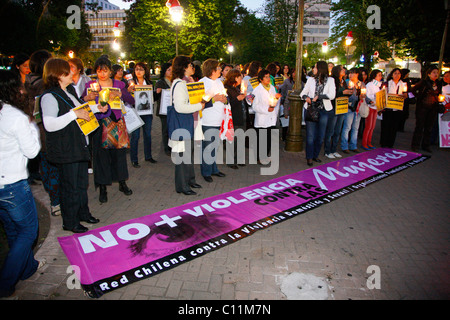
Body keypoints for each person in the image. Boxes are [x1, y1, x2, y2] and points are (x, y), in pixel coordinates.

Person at [40, 58, 104, 233]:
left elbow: (82, 110)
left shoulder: (68, 91)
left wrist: (97, 108)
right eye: (68, 71)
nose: (72, 74)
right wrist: (74, 115)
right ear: (59, 74)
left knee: (81, 184)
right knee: (70, 186)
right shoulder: (49, 96)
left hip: (78, 145)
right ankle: (70, 221)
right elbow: (50, 124)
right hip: (66, 149)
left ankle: (83, 213)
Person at [0, 70, 44, 298]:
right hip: (12, 185)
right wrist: (31, 125)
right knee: (28, 230)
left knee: (12, 229)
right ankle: (6, 281)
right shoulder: (15, 118)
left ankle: (27, 268)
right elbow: (32, 150)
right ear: (14, 90)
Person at [82, 56, 135, 203]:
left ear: (110, 71)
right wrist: (87, 98)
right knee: (101, 157)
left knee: (119, 155)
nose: (102, 74)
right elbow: (81, 103)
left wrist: (120, 94)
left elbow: (131, 100)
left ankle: (122, 182)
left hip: (116, 123)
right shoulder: (91, 85)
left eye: (105, 71)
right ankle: (103, 187)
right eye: (99, 71)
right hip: (99, 124)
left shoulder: (119, 84)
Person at [24, 50, 60, 215]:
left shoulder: (27, 82)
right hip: (48, 132)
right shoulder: (43, 86)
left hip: (36, 131)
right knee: (53, 168)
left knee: (45, 167)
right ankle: (57, 201)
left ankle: (55, 200)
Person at [169, 55, 205, 195]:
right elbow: (180, 107)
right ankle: (182, 186)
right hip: (182, 123)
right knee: (182, 156)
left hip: (188, 122)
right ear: (184, 67)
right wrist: (199, 106)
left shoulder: (186, 82)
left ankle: (190, 179)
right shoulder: (179, 84)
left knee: (188, 154)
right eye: (190, 65)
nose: (193, 68)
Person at [300, 61, 336, 166]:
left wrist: (319, 97)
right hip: (311, 109)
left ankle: (315, 155)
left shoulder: (330, 80)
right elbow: (303, 92)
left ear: (320, 68)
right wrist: (305, 98)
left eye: (315, 67)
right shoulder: (311, 80)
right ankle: (309, 157)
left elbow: (332, 95)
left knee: (320, 136)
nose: (313, 69)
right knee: (310, 135)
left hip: (324, 110)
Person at [199, 59, 228, 183]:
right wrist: (214, 99)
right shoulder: (202, 83)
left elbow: (225, 98)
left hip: (218, 119)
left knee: (215, 146)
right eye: (218, 68)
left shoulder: (219, 82)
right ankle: (206, 171)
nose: (220, 70)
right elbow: (200, 102)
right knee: (207, 147)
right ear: (212, 70)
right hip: (207, 119)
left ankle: (213, 169)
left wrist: (224, 99)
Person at [128, 62, 156, 168]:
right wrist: (128, 90)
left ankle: (148, 156)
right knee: (135, 136)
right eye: (136, 69)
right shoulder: (131, 83)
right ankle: (134, 159)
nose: (138, 71)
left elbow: (152, 98)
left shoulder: (149, 82)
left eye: (141, 69)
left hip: (147, 112)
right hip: (135, 112)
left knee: (148, 135)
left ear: (145, 71)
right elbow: (126, 96)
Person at [252, 69, 281, 163]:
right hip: (262, 118)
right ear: (260, 79)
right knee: (261, 140)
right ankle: (259, 158)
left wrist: (276, 98)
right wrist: (266, 109)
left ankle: (266, 156)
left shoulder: (272, 87)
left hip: (271, 118)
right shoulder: (257, 90)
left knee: (269, 138)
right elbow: (254, 106)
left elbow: (274, 100)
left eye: (269, 76)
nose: (268, 79)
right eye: (266, 77)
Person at [410, 65, 442, 153]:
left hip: (433, 108)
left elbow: (440, 93)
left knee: (429, 128)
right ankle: (415, 145)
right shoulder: (424, 82)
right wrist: (418, 97)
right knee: (419, 127)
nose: (436, 74)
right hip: (422, 108)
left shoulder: (438, 83)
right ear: (429, 74)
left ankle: (426, 145)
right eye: (434, 72)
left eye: (437, 73)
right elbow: (413, 90)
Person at [224, 68, 246, 169]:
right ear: (235, 77)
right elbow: (227, 104)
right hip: (232, 117)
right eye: (240, 77)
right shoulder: (227, 89)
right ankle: (231, 160)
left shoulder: (237, 88)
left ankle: (239, 158)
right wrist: (237, 99)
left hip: (240, 116)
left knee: (240, 138)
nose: (241, 78)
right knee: (232, 139)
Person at [380, 68, 407, 148]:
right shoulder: (387, 83)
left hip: (397, 108)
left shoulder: (403, 84)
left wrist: (405, 96)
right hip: (388, 108)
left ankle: (390, 143)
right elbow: (382, 94)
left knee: (394, 126)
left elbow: (405, 94)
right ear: (392, 74)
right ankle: (383, 142)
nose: (397, 75)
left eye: (399, 73)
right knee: (386, 126)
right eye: (395, 73)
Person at [324, 65, 347, 159]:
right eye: (342, 69)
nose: (344, 70)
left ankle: (334, 149)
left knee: (338, 131)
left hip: (342, 107)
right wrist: (343, 93)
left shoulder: (344, 81)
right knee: (331, 131)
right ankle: (327, 151)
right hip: (334, 108)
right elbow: (332, 94)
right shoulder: (332, 80)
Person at [340, 68, 365, 154]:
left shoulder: (361, 84)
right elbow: (344, 95)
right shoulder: (346, 83)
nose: (351, 75)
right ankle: (344, 146)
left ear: (358, 74)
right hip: (349, 107)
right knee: (347, 127)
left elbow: (364, 95)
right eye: (350, 73)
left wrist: (366, 99)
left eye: (353, 73)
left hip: (358, 107)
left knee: (355, 128)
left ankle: (353, 145)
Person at [154, 62, 172, 156]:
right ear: (164, 71)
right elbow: (155, 96)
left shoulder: (174, 81)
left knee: (171, 128)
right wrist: (158, 92)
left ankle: (171, 146)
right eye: (169, 70)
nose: (170, 71)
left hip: (172, 109)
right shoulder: (161, 82)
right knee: (165, 130)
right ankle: (166, 148)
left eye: (172, 69)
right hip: (163, 110)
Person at [362, 69, 383, 150]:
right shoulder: (370, 85)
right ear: (374, 76)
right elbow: (367, 96)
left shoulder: (378, 85)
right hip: (370, 107)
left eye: (381, 75)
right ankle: (364, 143)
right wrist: (373, 99)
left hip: (375, 107)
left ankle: (369, 142)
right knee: (368, 126)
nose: (380, 76)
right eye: (379, 75)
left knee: (372, 127)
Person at [279, 68, 295, 141]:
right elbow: (283, 91)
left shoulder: (301, 82)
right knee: (285, 121)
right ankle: (284, 136)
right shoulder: (287, 81)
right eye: (293, 73)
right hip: (287, 102)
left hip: (296, 104)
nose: (295, 74)